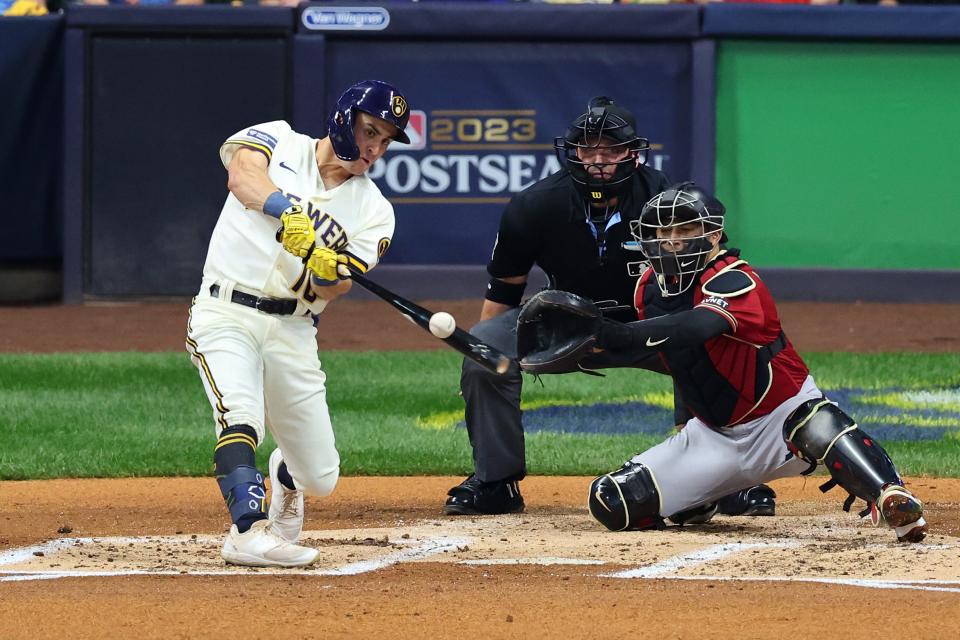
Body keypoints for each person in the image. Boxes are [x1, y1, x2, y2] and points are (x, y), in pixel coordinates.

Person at [519, 183, 927, 542]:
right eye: (663, 232)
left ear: (713, 235)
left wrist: (617, 334)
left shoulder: (735, 278)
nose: (672, 241)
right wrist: (595, 354)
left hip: (779, 418)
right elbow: (672, 354)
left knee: (819, 421)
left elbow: (697, 327)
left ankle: (890, 497)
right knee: (612, 503)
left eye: (684, 230)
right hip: (714, 436)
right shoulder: (649, 288)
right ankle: (703, 498)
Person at [445, 97, 776, 520]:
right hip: (564, 324)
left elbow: (704, 279)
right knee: (484, 351)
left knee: (709, 342)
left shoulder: (665, 200)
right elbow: (504, 292)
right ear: (572, 152)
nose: (598, 161)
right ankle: (495, 483)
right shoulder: (534, 206)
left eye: (611, 149)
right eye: (587, 150)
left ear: (632, 153)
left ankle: (729, 480)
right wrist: (480, 361)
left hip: (652, 322)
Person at [186, 79, 411, 567]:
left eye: (386, 140)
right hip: (225, 311)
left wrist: (328, 270)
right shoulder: (278, 139)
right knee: (240, 414)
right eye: (370, 131)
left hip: (293, 330)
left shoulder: (376, 211)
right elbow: (243, 176)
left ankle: (286, 477)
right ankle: (247, 530)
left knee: (320, 475)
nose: (375, 148)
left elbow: (338, 286)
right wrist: (285, 209)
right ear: (344, 118)